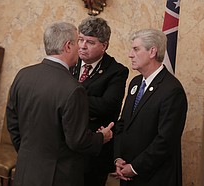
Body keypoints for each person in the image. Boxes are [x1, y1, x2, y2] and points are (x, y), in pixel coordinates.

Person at [6, 21, 114, 186]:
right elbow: (77, 141)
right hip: (58, 176)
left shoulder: (23, 75)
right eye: (78, 41)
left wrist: (28, 154)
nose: (81, 47)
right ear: (68, 46)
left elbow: (13, 123)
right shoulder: (73, 89)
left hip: (25, 170)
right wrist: (101, 137)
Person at [113, 28, 188, 186]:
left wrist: (134, 167)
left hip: (155, 178)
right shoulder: (135, 83)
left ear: (152, 51)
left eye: (136, 49)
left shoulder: (172, 90)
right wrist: (118, 158)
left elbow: (165, 140)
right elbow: (123, 124)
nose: (130, 54)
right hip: (126, 174)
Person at [70, 16, 129, 186]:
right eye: (80, 40)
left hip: (95, 151)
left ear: (104, 46)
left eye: (90, 42)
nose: (82, 46)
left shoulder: (116, 71)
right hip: (67, 145)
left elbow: (108, 107)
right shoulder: (69, 61)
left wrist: (70, 99)